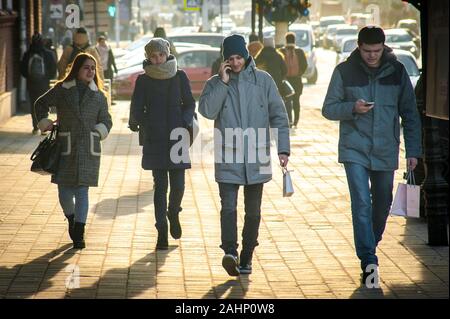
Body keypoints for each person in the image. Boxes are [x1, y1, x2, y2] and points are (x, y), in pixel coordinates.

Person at [322, 26, 422, 286]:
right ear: (359, 46)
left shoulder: (397, 71)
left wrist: (414, 151)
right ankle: (368, 260)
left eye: (376, 51)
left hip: (386, 149)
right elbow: (328, 108)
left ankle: (370, 243)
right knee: (361, 204)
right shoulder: (344, 71)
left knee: (381, 205)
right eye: (367, 51)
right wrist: (351, 108)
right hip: (354, 148)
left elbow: (410, 114)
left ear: (383, 47)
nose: (372, 56)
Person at [199, 34, 290, 276]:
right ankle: (230, 252)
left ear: (246, 55)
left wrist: (283, 148)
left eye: (239, 57)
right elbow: (207, 111)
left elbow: (279, 116)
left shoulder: (264, 81)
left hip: (257, 156)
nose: (236, 62)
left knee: (253, 211)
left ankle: (247, 255)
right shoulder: (216, 83)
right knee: (228, 207)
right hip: (228, 155)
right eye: (231, 58)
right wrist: (223, 82)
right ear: (224, 60)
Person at [34, 53, 113, 249]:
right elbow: (40, 104)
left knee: (82, 190)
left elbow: (106, 120)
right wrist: (45, 122)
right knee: (64, 191)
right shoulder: (63, 89)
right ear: (77, 69)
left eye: (93, 68)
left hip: (88, 148)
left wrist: (98, 131)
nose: (90, 71)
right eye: (86, 67)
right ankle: (71, 218)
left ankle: (79, 230)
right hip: (65, 146)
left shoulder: (99, 96)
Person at [129, 38, 196, 250]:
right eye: (153, 56)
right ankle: (161, 232)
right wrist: (141, 122)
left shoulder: (180, 76)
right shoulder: (143, 80)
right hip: (155, 139)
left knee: (178, 186)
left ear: (167, 54)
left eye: (160, 55)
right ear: (147, 57)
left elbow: (189, 103)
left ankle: (173, 212)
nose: (157, 60)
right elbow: (136, 109)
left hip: (177, 138)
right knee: (160, 188)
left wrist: (185, 121)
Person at [20, 32, 57, 135]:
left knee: (33, 104)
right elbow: (53, 68)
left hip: (31, 84)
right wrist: (48, 78)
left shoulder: (27, 54)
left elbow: (22, 69)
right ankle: (43, 127)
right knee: (44, 104)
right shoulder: (48, 53)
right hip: (44, 83)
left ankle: (35, 127)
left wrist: (29, 77)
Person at [279, 32, 307, 128]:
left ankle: (288, 120)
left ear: (286, 40)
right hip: (297, 80)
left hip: (286, 81)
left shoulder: (281, 51)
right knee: (296, 101)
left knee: (286, 101)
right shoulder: (300, 51)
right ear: (294, 40)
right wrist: (299, 74)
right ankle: (296, 121)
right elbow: (304, 65)